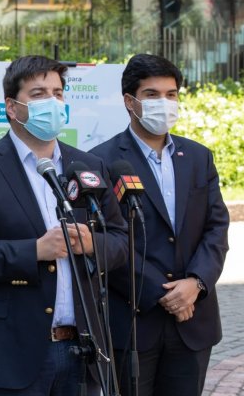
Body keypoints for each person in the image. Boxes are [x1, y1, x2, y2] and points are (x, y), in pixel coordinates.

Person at [0, 55, 128, 396]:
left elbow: (119, 240)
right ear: (12, 108)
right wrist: (34, 251)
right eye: (40, 93)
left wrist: (91, 243)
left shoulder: (88, 165)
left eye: (58, 93)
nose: (53, 102)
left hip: (83, 351)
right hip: (9, 354)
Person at [89, 53, 230, 396]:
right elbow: (104, 239)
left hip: (193, 319)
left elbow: (216, 227)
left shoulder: (198, 157)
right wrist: (162, 294)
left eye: (171, 94)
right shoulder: (101, 161)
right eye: (152, 95)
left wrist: (195, 283)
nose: (164, 103)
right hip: (133, 322)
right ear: (129, 101)